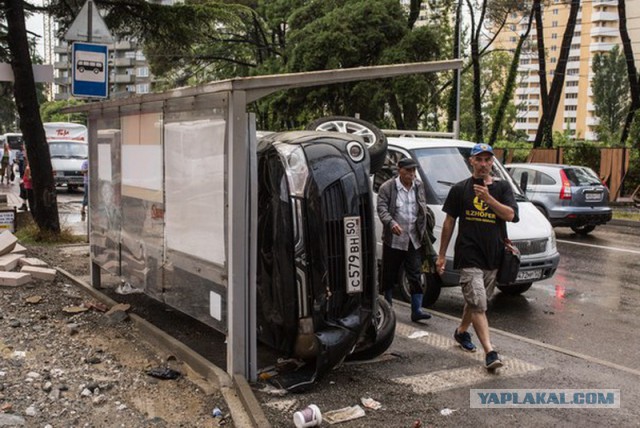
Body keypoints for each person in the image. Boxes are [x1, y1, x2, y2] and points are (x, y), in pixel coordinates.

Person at [436, 143, 519, 370]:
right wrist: (441, 255)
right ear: (471, 161)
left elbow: (511, 215)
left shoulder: (502, 189)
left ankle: (462, 332)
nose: (483, 164)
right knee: (479, 304)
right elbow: (449, 222)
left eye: (487, 160)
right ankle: (490, 353)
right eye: (479, 160)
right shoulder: (460, 189)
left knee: (474, 302)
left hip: (493, 256)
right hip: (468, 255)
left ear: (492, 162)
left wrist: (489, 199)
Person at [377, 157, 434, 323]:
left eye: (413, 170)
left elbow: (421, 207)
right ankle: (387, 308)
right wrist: (391, 222)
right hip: (393, 240)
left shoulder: (418, 186)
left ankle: (417, 310)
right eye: (408, 170)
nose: (411, 174)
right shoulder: (387, 187)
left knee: (415, 273)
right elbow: (381, 208)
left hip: (413, 238)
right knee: (388, 274)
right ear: (399, 169)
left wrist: (423, 227)